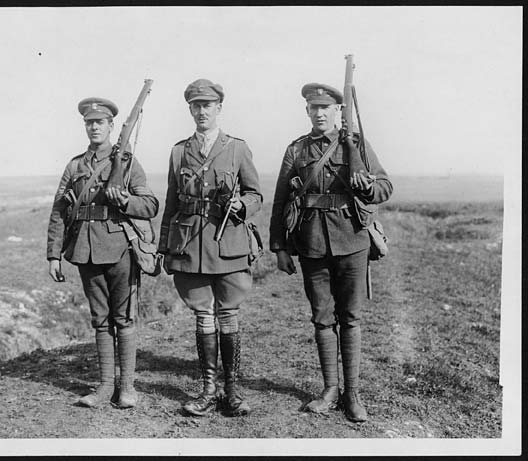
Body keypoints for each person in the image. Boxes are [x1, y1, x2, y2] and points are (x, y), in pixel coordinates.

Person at [269, 83, 393, 422]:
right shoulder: (296, 150)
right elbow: (281, 199)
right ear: (307, 111)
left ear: (339, 111)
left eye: (326, 108)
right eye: (313, 108)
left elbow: (385, 186)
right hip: (311, 244)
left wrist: (368, 186)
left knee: (350, 317)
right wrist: (279, 246)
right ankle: (330, 389)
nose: (320, 113)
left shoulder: (356, 145)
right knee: (322, 318)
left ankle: (352, 393)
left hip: (352, 240)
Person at [158, 79, 263, 417]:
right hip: (190, 244)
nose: (202, 111)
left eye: (208, 105)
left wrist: (241, 205)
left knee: (228, 312)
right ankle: (207, 389)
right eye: (196, 105)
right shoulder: (179, 151)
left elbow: (255, 194)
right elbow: (171, 202)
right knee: (203, 314)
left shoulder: (237, 148)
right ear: (189, 109)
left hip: (227, 241)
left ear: (219, 107)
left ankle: (231, 391)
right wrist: (164, 247)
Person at [46, 97, 159, 409]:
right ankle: (104, 385)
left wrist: (123, 201)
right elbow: (58, 212)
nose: (94, 127)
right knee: (100, 319)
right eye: (89, 122)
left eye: (100, 122)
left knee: (124, 318)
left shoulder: (126, 163)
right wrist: (54, 254)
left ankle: (127, 388)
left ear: (111, 126)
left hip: (120, 248)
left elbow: (150, 205)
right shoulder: (75, 166)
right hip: (85, 249)